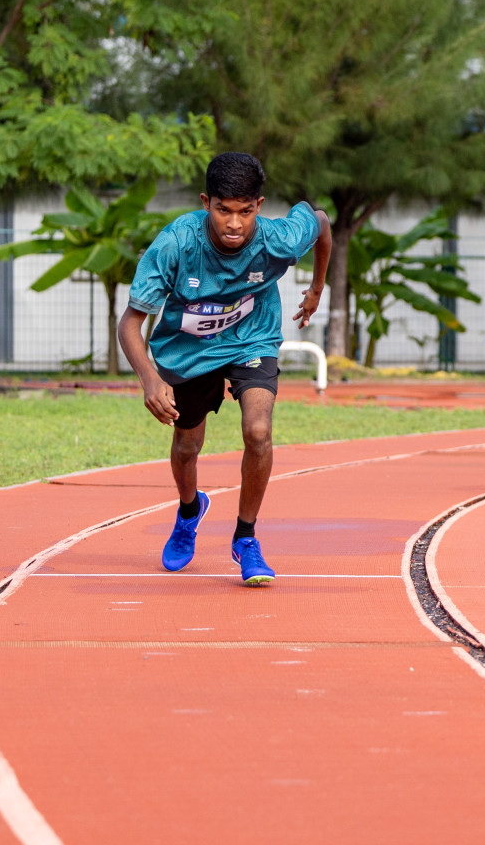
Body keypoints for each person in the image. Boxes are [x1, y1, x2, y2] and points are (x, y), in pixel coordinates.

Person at [118, 152, 332, 586]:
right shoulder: (176, 244)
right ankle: (189, 511)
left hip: (252, 339)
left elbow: (322, 221)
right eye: (223, 210)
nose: (234, 223)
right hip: (187, 351)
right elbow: (130, 323)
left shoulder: (279, 239)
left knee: (258, 432)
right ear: (206, 203)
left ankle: (246, 537)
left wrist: (316, 288)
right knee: (187, 447)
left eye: (246, 211)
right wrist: (150, 380)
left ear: (259, 205)